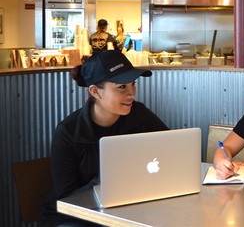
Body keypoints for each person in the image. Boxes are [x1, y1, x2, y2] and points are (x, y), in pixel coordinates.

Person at [39, 50, 169, 227]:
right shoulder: (68, 132)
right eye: (121, 87)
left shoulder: (138, 114)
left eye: (133, 84)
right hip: (72, 218)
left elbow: (170, 145)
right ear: (95, 91)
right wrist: (105, 180)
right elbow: (67, 199)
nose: (132, 93)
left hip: (122, 209)